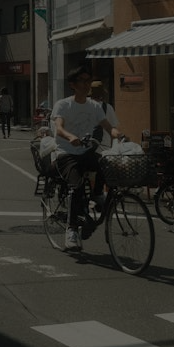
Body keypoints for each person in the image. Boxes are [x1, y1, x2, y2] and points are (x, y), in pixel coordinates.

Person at [51, 65, 123, 250]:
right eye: (82, 81)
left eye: (88, 81)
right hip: (66, 153)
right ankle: (71, 230)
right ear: (72, 84)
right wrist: (70, 137)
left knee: (106, 165)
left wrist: (117, 134)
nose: (86, 84)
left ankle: (98, 194)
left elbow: (107, 126)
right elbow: (59, 127)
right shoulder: (63, 104)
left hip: (86, 151)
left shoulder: (95, 106)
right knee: (76, 186)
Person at [89, 81, 120, 148]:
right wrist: (113, 148)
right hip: (104, 147)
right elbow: (113, 129)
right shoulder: (108, 107)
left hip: (87, 146)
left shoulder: (84, 106)